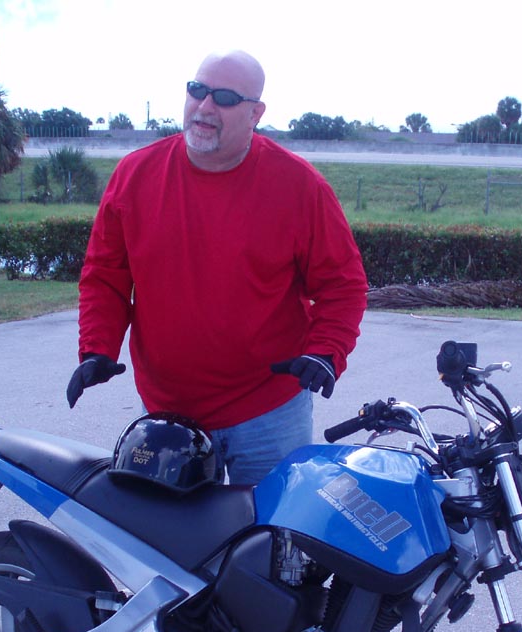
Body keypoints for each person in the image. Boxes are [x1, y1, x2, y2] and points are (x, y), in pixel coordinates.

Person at [67, 49, 368, 484]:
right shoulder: (134, 175)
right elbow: (105, 276)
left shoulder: (301, 187)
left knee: (271, 525)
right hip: (167, 410)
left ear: (255, 114)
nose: (205, 107)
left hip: (269, 411)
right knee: (168, 528)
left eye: (225, 98)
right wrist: (97, 347)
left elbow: (343, 284)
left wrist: (325, 352)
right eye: (197, 91)